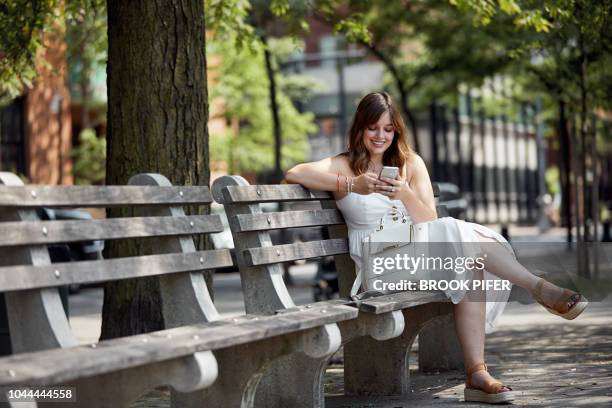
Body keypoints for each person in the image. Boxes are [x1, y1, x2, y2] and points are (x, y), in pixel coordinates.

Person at [284, 91, 588, 404]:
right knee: (459, 238)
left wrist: (404, 194)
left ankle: (477, 372)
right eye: (373, 127)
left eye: (388, 129)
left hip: (416, 251)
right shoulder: (343, 165)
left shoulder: (410, 163)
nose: (380, 136)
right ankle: (537, 289)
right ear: (360, 128)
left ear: (397, 130)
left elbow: (427, 217)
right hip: (379, 266)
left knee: (467, 255)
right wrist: (350, 184)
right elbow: (294, 173)